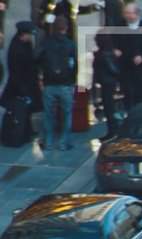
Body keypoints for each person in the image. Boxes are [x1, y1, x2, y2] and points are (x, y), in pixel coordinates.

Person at [37, 16, 78, 151]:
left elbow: (37, 58)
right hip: (65, 84)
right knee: (67, 114)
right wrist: (73, 81)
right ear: (66, 28)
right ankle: (63, 142)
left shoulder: (46, 42)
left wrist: (41, 76)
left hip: (49, 83)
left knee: (48, 114)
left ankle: (48, 142)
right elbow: (74, 65)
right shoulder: (70, 44)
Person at [1, 22, 43, 137]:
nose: (31, 37)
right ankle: (18, 131)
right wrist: (23, 90)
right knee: (20, 107)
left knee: (28, 108)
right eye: (29, 34)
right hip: (20, 84)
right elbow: (16, 72)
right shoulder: (16, 48)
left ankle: (26, 131)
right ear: (23, 34)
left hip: (28, 81)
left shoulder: (26, 43)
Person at [114, 2, 142, 109]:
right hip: (125, 68)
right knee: (127, 96)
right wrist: (115, 49)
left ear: (137, 14)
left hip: (141, 70)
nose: (126, 16)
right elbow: (112, 42)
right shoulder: (119, 26)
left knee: (140, 97)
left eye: (129, 13)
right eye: (125, 13)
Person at [93, 33, 120, 140]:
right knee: (109, 108)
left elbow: (113, 69)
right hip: (109, 83)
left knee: (109, 108)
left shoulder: (103, 55)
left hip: (107, 83)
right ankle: (113, 130)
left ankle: (113, 131)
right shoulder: (108, 53)